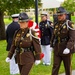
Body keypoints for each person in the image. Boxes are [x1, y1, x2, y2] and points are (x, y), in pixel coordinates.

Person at [50, 7, 75, 75]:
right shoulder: (56, 24)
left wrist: (68, 48)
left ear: (65, 15)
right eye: (58, 15)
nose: (59, 17)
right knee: (55, 66)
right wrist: (51, 45)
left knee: (67, 67)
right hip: (57, 48)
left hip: (66, 49)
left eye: (61, 15)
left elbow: (72, 38)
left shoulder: (69, 24)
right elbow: (54, 35)